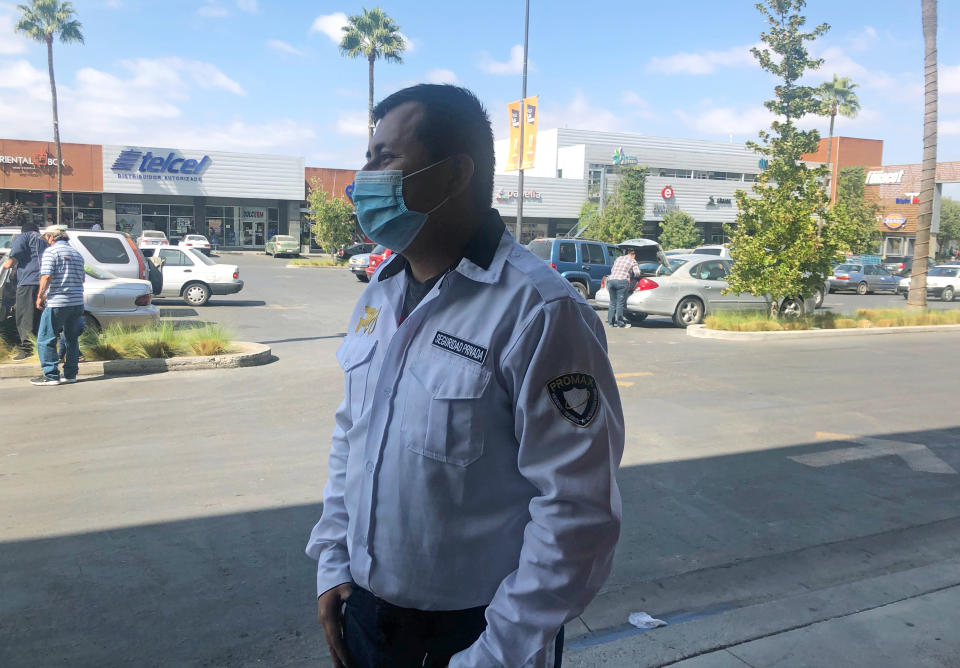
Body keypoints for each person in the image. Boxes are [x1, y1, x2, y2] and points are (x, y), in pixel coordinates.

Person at [306, 84, 624, 668]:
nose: (362, 178)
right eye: (366, 157)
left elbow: (578, 512)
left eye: (383, 159)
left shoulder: (539, 312)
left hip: (478, 633)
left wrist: (495, 654)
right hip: (369, 617)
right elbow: (352, 437)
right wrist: (332, 563)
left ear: (453, 175)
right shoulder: (380, 293)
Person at [32, 227, 85, 386]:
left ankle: (50, 375)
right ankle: (70, 374)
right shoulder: (77, 254)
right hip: (76, 302)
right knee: (71, 339)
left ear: (50, 237)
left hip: (57, 302)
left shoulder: (51, 252)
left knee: (46, 338)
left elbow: (47, 275)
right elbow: (82, 279)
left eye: (46, 238)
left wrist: (40, 296)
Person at [1, 221, 49, 360]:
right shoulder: (44, 240)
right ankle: (38, 347)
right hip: (43, 283)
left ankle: (25, 349)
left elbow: (11, 261)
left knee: (24, 317)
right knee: (38, 317)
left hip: (27, 282)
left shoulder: (23, 237)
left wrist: (4, 266)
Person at [606, 248, 641, 328]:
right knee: (620, 303)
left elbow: (612, 269)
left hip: (611, 281)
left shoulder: (618, 258)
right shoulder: (632, 260)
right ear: (633, 255)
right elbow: (637, 273)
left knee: (612, 302)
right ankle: (620, 323)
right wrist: (632, 275)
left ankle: (610, 323)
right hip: (622, 282)